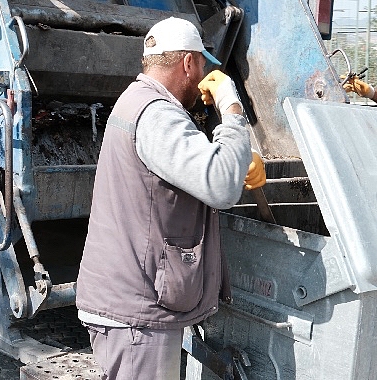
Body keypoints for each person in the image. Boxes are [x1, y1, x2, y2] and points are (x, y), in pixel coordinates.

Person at [75, 17, 266, 379]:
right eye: (202, 64)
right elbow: (222, 187)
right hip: (136, 314)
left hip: (133, 304)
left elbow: (189, 171)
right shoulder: (156, 114)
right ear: (188, 63)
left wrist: (235, 157)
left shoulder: (141, 102)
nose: (202, 79)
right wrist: (231, 108)